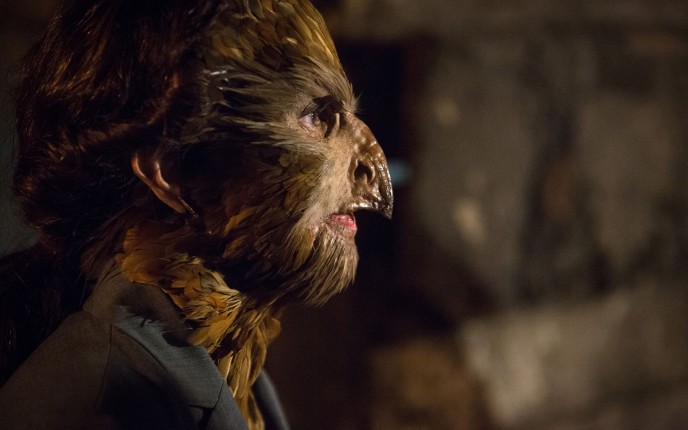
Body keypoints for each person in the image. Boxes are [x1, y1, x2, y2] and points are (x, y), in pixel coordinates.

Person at [0, 0, 393, 429]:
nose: (370, 168)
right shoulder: (99, 407)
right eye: (315, 117)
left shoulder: (228, 370)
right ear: (172, 172)